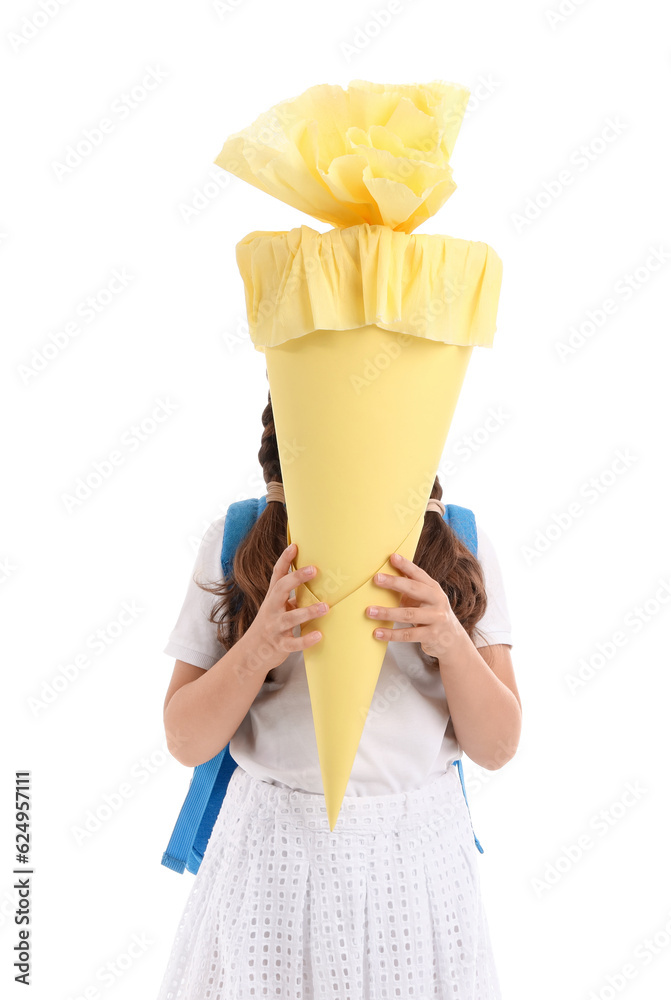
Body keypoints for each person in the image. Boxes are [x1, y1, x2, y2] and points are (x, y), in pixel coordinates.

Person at [155, 390, 522, 1000]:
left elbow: (499, 745)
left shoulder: (459, 546)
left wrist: (452, 642)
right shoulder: (241, 537)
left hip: (421, 870)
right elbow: (186, 739)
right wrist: (259, 647)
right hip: (270, 862)